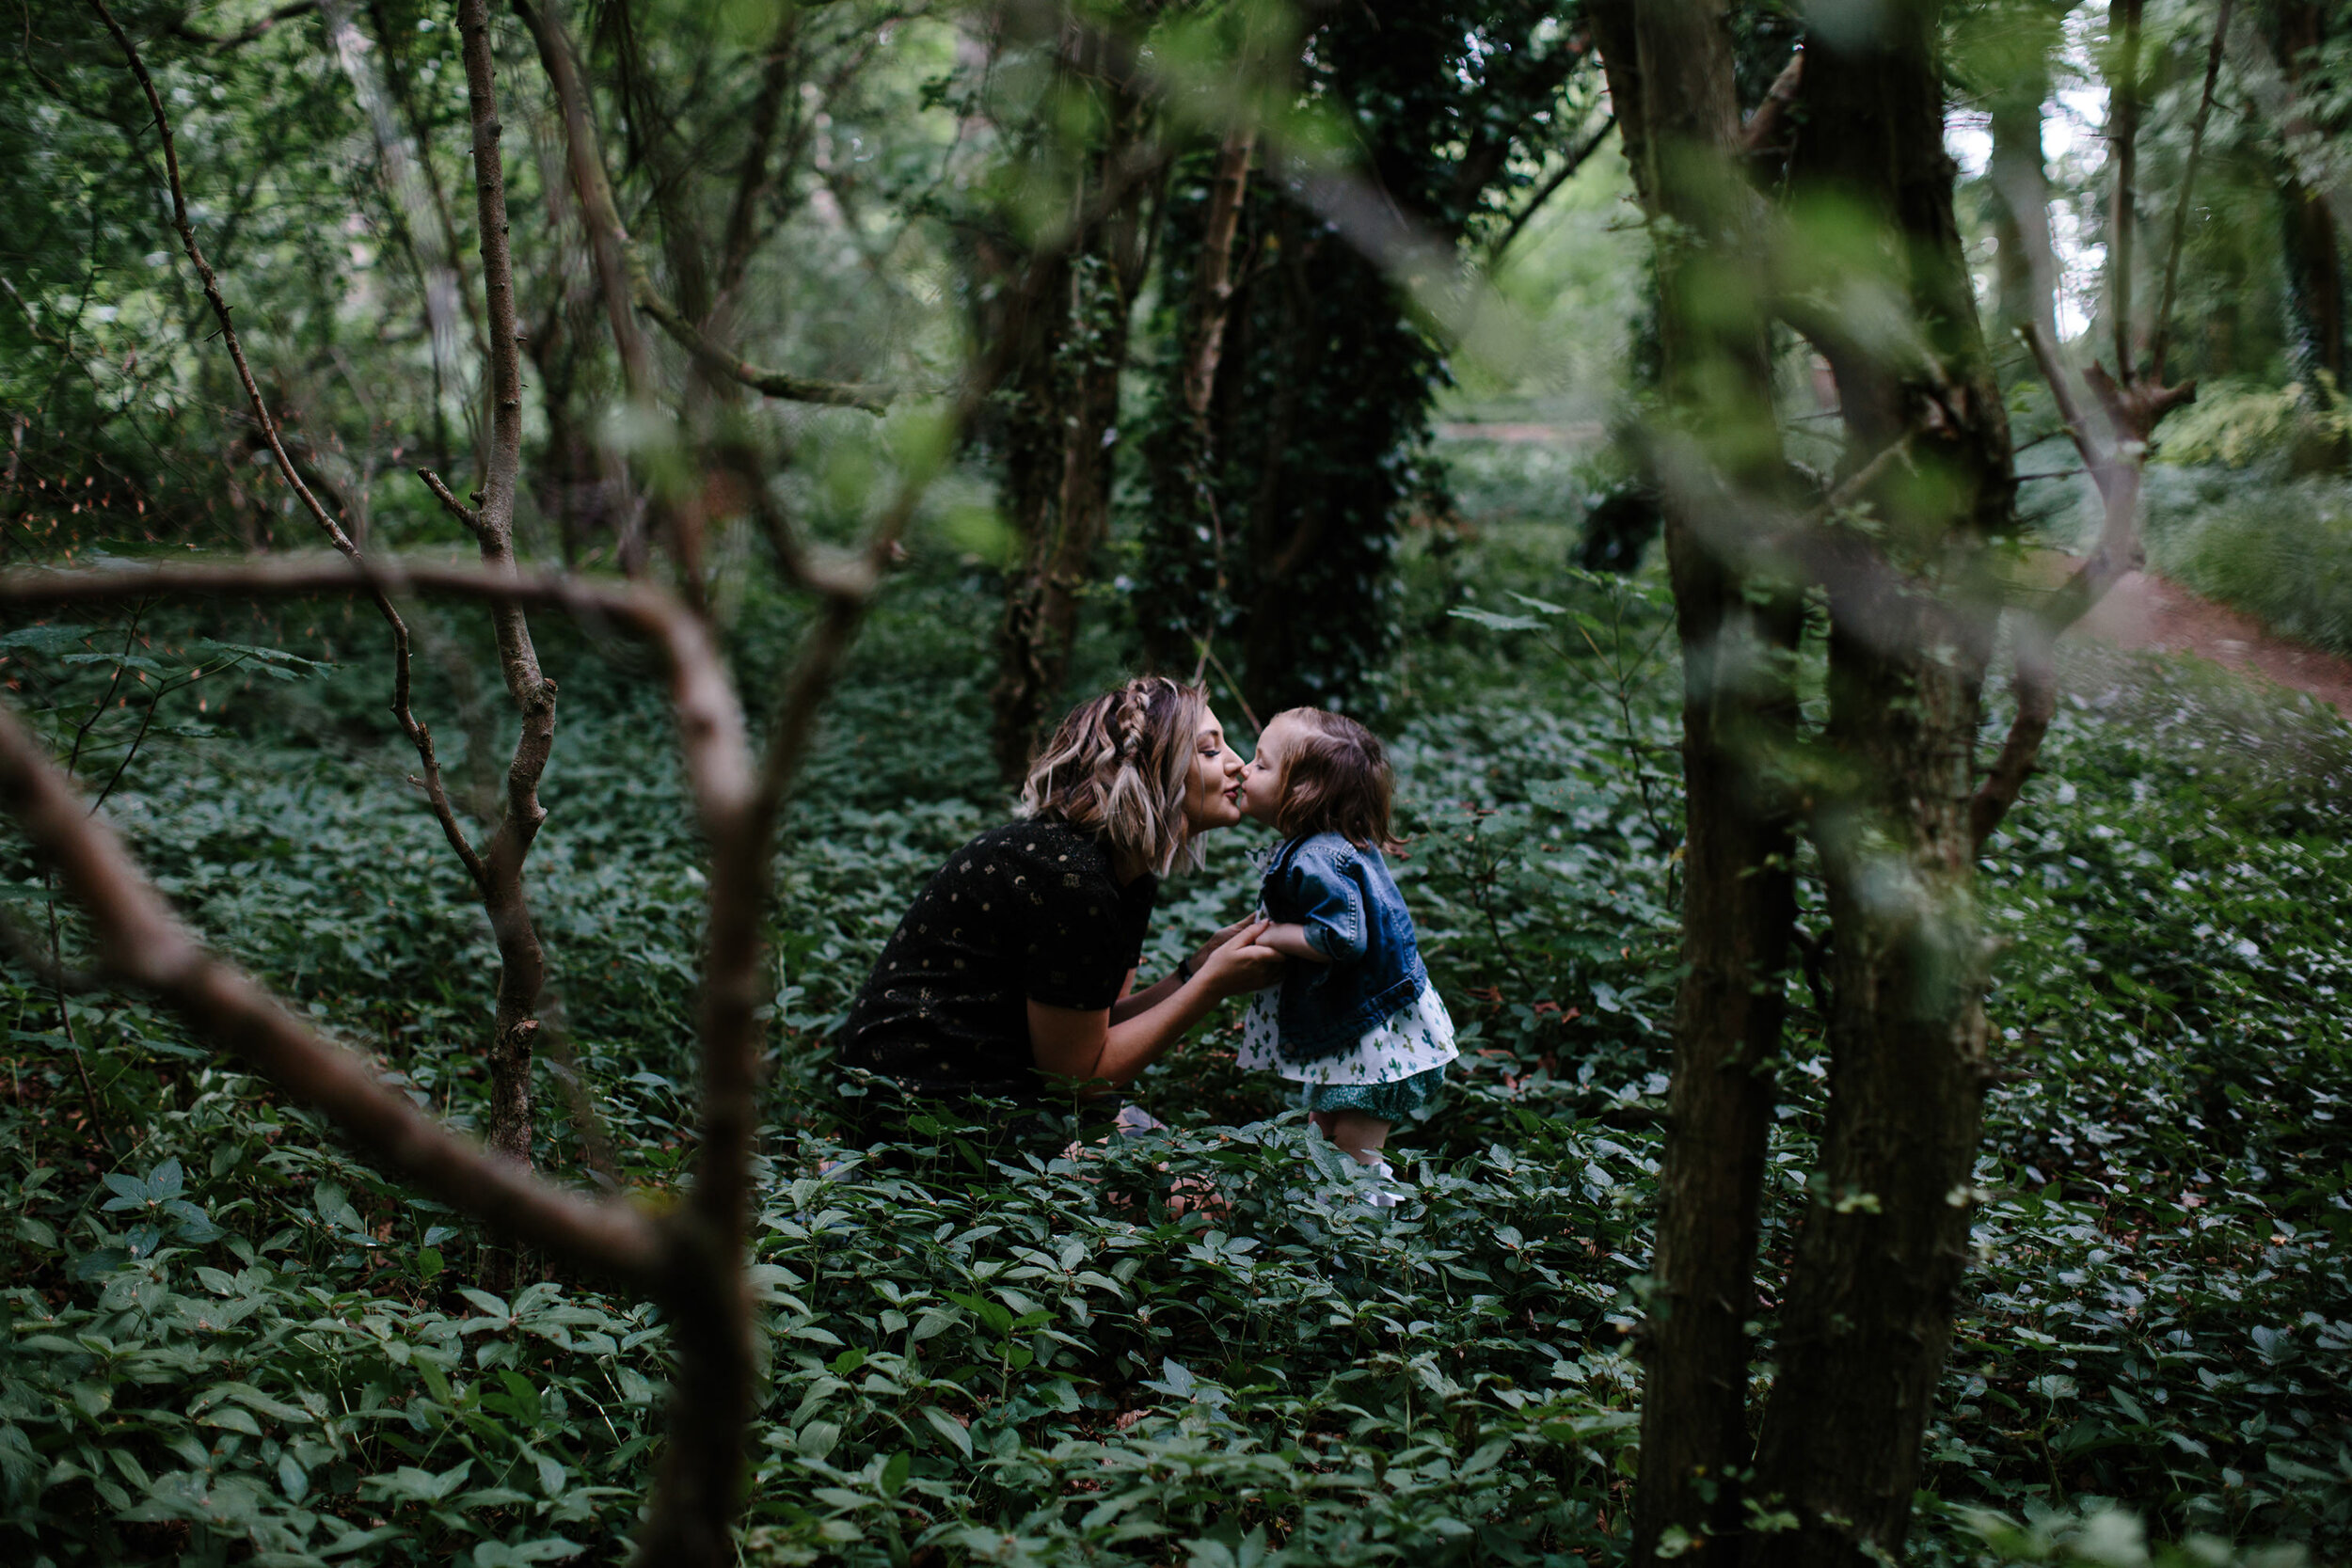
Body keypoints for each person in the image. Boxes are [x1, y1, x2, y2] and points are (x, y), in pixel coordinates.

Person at [834, 675, 1281, 1132]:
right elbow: (1078, 1080)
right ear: (1151, 768)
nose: (1240, 765)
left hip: (1002, 1084)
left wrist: (1197, 967)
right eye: (1210, 751)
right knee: (1205, 1200)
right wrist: (1211, 986)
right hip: (921, 1107)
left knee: (1195, 1181)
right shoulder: (1073, 877)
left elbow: (1093, 1031)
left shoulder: (1127, 869)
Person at [1232, 708, 1456, 1190]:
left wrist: (1273, 935)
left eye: (1261, 764)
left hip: (1378, 1041)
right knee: (1324, 1142)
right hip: (1360, 1033)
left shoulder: (1318, 855)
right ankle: (1317, 1225)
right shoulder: (1324, 846)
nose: (1244, 770)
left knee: (1354, 1164)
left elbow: (1340, 937)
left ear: (1301, 793)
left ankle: (1359, 1244)